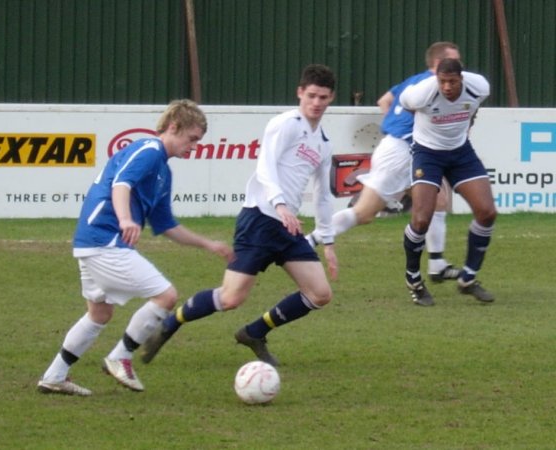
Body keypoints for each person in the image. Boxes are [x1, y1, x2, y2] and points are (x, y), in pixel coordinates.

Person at [140, 64, 339, 367]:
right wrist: (280, 204)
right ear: (300, 93)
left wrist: (328, 239)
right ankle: (170, 324)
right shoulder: (285, 124)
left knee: (320, 293)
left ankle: (254, 332)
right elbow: (265, 166)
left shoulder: (323, 142)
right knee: (231, 298)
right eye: (311, 95)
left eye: (323, 97)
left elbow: (324, 194)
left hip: (288, 227)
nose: (316, 103)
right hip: (260, 218)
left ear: (331, 99)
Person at [37, 99, 234, 396]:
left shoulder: (163, 172)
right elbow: (121, 184)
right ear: (172, 127)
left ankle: (54, 375)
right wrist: (126, 218)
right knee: (166, 296)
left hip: (95, 242)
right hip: (104, 239)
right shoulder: (149, 150)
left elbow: (166, 225)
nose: (194, 146)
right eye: (192, 138)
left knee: (99, 314)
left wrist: (208, 244)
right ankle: (120, 356)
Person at [307, 42, 461, 299]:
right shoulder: (433, 87)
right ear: (437, 65)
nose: (459, 67)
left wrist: (396, 124)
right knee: (363, 213)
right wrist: (401, 132)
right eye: (454, 61)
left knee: (439, 200)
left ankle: (436, 264)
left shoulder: (415, 81)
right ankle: (306, 242)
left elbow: (385, 100)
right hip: (400, 152)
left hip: (405, 149)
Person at [399, 58, 497, 306]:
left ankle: (468, 278)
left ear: (461, 78)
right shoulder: (422, 94)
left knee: (487, 212)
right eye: (442, 81)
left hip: (460, 152)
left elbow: (473, 109)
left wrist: (465, 126)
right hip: (427, 153)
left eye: (452, 81)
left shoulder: (479, 87)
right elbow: (404, 102)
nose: (447, 87)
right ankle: (413, 280)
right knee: (421, 219)